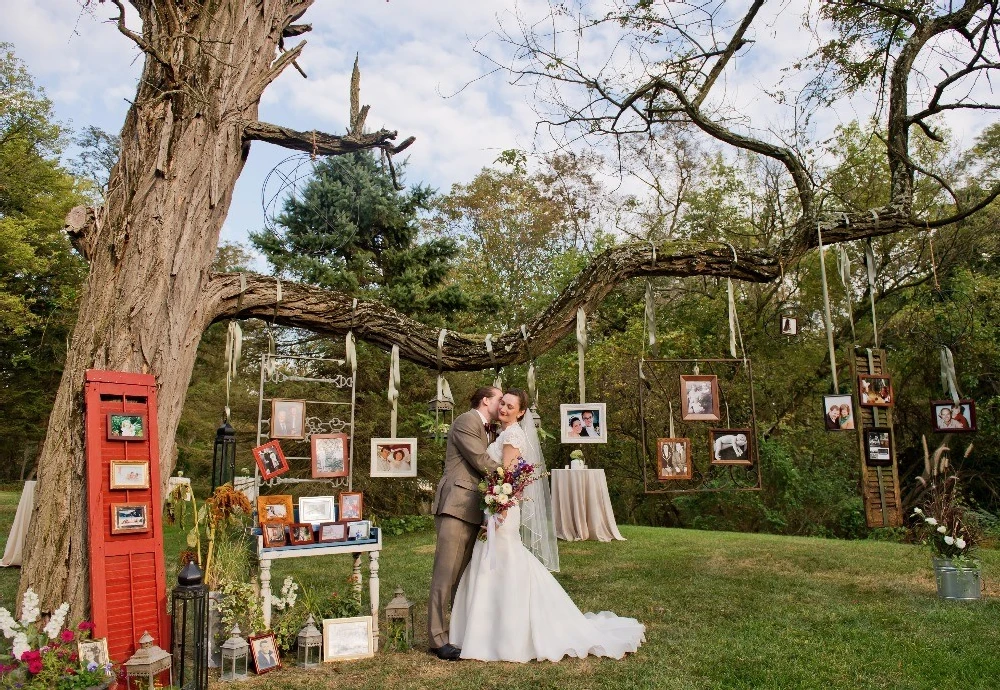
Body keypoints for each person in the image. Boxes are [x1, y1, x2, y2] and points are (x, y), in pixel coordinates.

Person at [449, 388, 643, 662]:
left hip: (503, 508)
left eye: (510, 406)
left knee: (500, 560)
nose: (503, 408)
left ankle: (503, 635)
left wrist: (499, 508)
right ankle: (488, 632)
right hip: (499, 505)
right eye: (502, 403)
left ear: (522, 412)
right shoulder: (505, 433)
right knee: (496, 559)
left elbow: (507, 477)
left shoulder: (513, 435)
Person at [428, 386, 503, 661]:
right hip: (456, 505)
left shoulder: (490, 429)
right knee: (445, 574)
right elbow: (481, 460)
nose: (503, 404)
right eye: (500, 399)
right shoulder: (466, 421)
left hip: (474, 508)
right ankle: (437, 639)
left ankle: (458, 632)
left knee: (463, 577)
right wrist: (515, 474)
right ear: (485, 400)